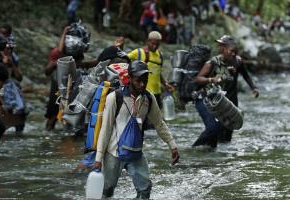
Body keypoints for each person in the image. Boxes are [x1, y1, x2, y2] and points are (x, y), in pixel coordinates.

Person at [93, 60, 180, 199]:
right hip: (113, 153)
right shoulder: (114, 98)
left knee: (145, 189)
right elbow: (105, 129)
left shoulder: (148, 98)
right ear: (130, 78)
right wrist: (98, 158)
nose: (142, 84)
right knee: (107, 191)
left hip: (135, 152)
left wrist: (173, 145)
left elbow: (159, 123)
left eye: (145, 80)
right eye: (138, 80)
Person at [193, 35, 259, 147]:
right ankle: (201, 150)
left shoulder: (238, 61)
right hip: (217, 102)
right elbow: (198, 78)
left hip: (232, 101)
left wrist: (253, 88)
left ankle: (224, 157)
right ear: (224, 49)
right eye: (231, 51)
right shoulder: (213, 62)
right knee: (215, 130)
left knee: (228, 132)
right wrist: (211, 79)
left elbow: (246, 75)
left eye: (235, 51)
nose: (233, 54)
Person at [127, 31, 173, 108]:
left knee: (157, 117)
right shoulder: (139, 52)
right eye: (153, 43)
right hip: (143, 91)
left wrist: (165, 84)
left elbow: (158, 72)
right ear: (148, 41)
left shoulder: (160, 55)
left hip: (157, 93)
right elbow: (123, 59)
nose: (155, 46)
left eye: (157, 44)